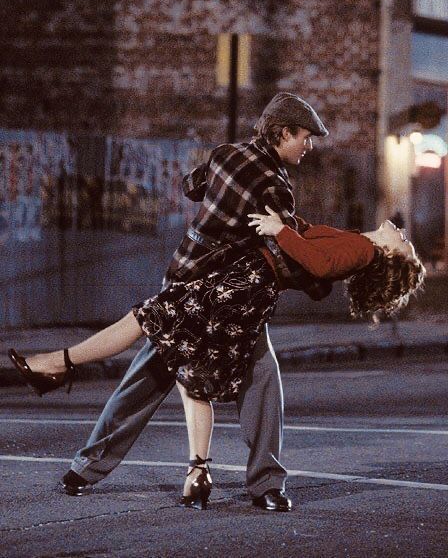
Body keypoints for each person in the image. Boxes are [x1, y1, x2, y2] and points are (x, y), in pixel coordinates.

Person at [8, 93, 330, 513]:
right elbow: (283, 252)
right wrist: (328, 273)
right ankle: (265, 485)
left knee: (149, 373)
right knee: (261, 375)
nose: (309, 146)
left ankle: (85, 468)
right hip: (224, 296)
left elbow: (190, 186)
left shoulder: (224, 154)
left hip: (183, 274)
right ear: (283, 132)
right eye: (305, 137)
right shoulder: (276, 188)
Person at [9, 207, 425, 510]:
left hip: (240, 287)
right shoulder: (359, 242)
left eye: (404, 243)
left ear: (391, 258)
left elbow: (315, 259)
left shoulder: (364, 251)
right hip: (246, 287)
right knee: (190, 368)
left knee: (149, 321)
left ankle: (58, 364)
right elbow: (316, 257)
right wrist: (291, 227)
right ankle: (197, 473)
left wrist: (281, 229)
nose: (401, 232)